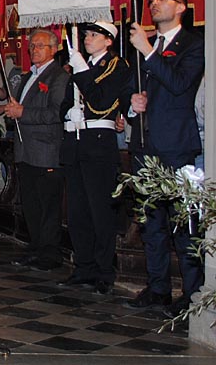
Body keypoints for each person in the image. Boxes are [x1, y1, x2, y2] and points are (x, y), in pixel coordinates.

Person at [126, 0, 204, 316]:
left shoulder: (193, 44)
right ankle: (158, 287)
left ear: (182, 8)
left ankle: (193, 293)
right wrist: (132, 104)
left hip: (175, 147)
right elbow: (132, 88)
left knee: (184, 225)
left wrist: (147, 50)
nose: (156, 3)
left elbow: (179, 84)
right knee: (151, 223)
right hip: (145, 145)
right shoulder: (145, 46)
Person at [59, 20, 132, 295]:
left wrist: (81, 69)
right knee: (78, 211)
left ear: (108, 41)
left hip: (98, 143)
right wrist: (68, 113)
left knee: (100, 210)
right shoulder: (82, 66)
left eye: (93, 35)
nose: (87, 39)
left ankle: (104, 270)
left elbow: (101, 101)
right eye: (86, 35)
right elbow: (66, 102)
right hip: (75, 142)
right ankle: (84, 266)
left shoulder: (116, 66)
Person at [4, 28, 69, 271]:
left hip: (46, 151)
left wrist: (23, 112)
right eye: (32, 46)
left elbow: (56, 113)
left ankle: (50, 254)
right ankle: (35, 248)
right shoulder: (29, 75)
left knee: (47, 206)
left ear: (54, 49)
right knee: (31, 205)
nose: (34, 50)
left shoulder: (58, 77)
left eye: (40, 46)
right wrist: (13, 110)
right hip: (26, 150)